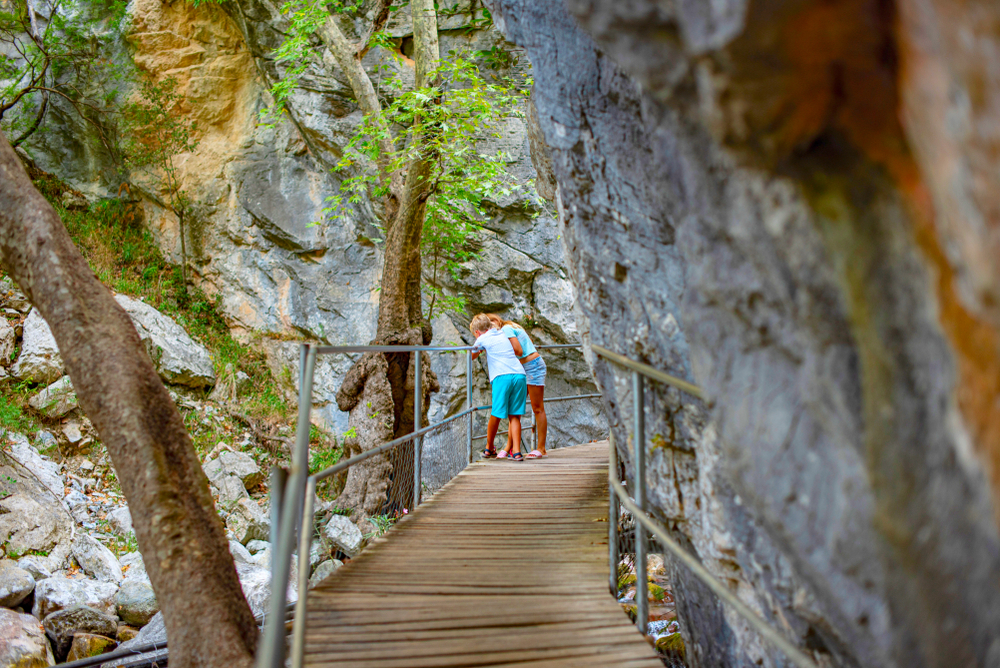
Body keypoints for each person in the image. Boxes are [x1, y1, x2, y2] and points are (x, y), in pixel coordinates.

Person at [487, 314, 548, 459]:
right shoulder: (509, 328)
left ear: (497, 321)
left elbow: (519, 351)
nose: (491, 327)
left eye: (492, 323)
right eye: (488, 326)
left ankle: (541, 448)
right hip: (521, 369)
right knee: (514, 409)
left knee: (537, 408)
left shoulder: (506, 329)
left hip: (532, 367)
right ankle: (510, 447)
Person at [469, 313, 527, 461]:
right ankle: (517, 451)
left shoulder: (482, 338)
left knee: (496, 413)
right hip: (519, 375)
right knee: (514, 416)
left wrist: (479, 346)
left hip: (502, 376)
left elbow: (472, 355)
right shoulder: (501, 332)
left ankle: (489, 448)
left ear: (477, 332)